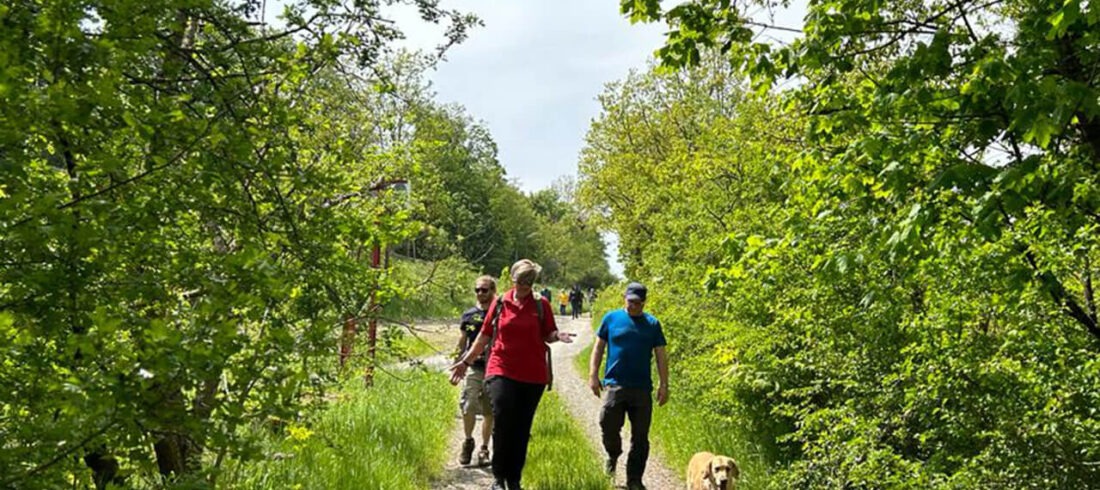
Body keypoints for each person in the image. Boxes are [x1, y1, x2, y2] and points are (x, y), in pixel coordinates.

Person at [449, 259, 576, 490]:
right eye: (519, 283)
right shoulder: (500, 303)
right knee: (503, 417)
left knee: (521, 427)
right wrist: (465, 361)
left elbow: (548, 333)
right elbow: (484, 336)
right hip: (501, 369)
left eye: (528, 285)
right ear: (512, 280)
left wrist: (558, 336)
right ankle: (498, 477)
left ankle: (514, 478)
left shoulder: (541, 304)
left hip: (533, 375)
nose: (523, 289)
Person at [587, 282, 669, 490]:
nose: (633, 306)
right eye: (630, 301)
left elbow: (661, 355)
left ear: (644, 302)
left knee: (640, 437)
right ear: (625, 298)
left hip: (641, 389)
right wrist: (593, 375)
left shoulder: (652, 324)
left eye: (638, 303)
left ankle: (634, 479)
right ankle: (613, 455)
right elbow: (598, 348)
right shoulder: (611, 319)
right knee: (607, 424)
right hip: (615, 385)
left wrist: (664, 384)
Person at [453, 275, 497, 466]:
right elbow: (463, 341)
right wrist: (457, 362)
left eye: (484, 290)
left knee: (489, 410)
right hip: (473, 367)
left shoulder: (499, 313)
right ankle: (468, 441)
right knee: (468, 405)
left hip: (493, 367)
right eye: (477, 290)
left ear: (493, 291)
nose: (480, 293)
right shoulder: (469, 315)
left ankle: (485, 448)